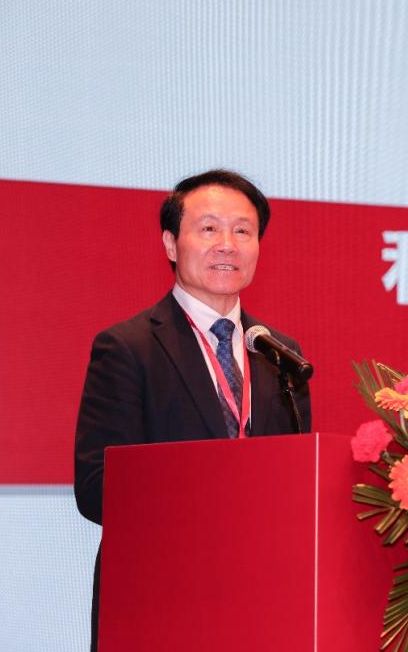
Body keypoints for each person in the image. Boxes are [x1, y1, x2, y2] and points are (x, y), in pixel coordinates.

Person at [74, 169, 311, 651]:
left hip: (264, 600)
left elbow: (298, 481)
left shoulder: (280, 355)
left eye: (242, 231)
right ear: (170, 243)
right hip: (159, 598)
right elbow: (98, 488)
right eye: (208, 228)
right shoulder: (127, 348)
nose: (227, 244)